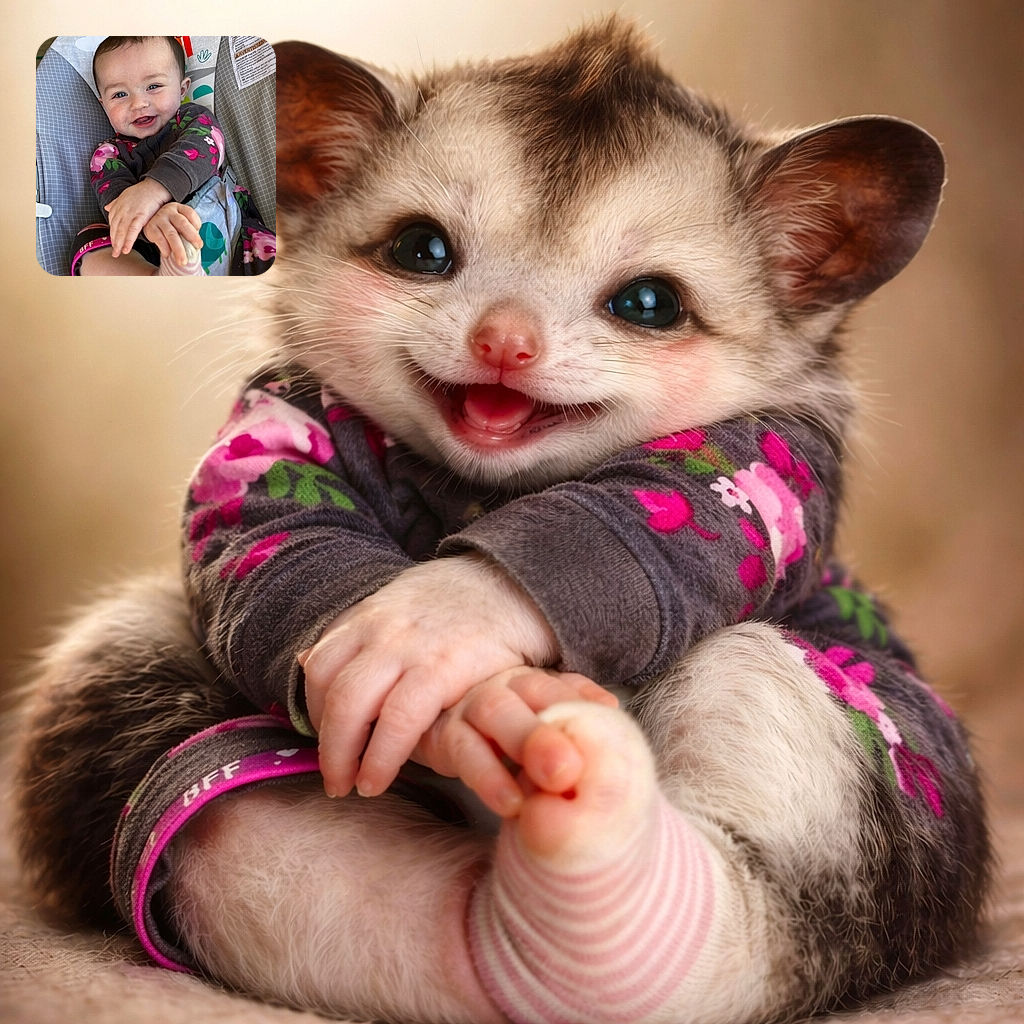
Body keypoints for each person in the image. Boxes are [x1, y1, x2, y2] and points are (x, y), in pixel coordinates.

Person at [72, 36, 275, 277]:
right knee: (89, 240)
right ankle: (162, 278)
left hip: (235, 239)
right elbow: (117, 206)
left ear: (182, 89)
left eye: (153, 87)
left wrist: (153, 189)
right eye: (119, 95)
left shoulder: (193, 120)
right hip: (152, 250)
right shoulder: (107, 154)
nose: (139, 103)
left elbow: (206, 148)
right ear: (102, 104)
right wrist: (149, 222)